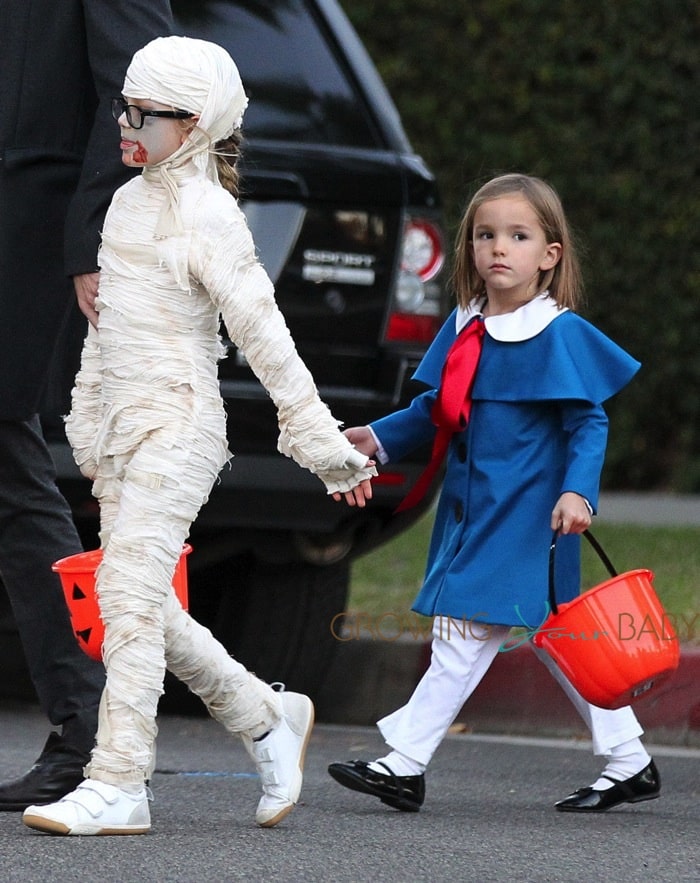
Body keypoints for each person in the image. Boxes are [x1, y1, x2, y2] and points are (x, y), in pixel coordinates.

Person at [21, 35, 375, 837]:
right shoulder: (123, 203)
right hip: (122, 429)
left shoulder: (213, 217)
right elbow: (104, 335)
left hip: (180, 426)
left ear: (198, 123)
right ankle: (265, 714)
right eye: (124, 106)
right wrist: (87, 420)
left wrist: (324, 448)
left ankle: (119, 780)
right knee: (139, 598)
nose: (126, 121)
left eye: (146, 113)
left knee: (127, 595)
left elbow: (267, 338)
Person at [327, 173, 661, 814]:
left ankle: (405, 762)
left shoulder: (557, 334)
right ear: (470, 248)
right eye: (485, 235)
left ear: (550, 254)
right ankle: (629, 760)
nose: (498, 248)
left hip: (532, 514)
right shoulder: (467, 324)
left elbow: (588, 422)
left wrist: (579, 494)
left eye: (517, 235)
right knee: (556, 635)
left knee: (467, 633)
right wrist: (378, 437)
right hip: (475, 509)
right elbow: (439, 407)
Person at [0, 0, 174, 812]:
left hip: (27, 227)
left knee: (5, 453)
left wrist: (94, 239)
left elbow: (143, 88)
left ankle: (92, 727)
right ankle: (90, 724)